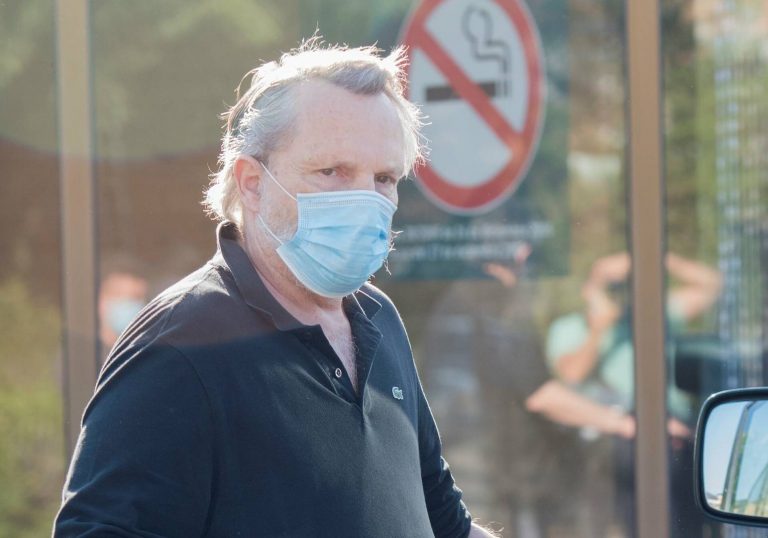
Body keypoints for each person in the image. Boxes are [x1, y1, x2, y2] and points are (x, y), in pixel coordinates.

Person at [53, 41, 499, 538]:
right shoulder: (183, 342)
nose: (364, 199)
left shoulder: (378, 318)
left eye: (383, 178)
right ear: (251, 181)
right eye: (332, 171)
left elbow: (444, 519)